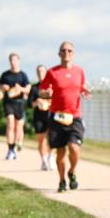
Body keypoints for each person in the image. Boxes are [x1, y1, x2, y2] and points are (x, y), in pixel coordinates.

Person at [39, 42, 91, 192]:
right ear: (59, 53)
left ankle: (72, 172)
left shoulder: (79, 71)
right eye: (63, 50)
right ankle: (62, 180)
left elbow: (80, 86)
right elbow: (42, 91)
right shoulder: (52, 72)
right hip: (57, 117)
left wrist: (84, 91)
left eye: (70, 50)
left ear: (73, 54)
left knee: (74, 148)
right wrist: (46, 94)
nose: (66, 52)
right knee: (60, 152)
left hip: (74, 116)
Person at [0, 53, 30, 160]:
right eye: (11, 60)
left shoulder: (23, 75)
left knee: (18, 127)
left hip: (19, 103)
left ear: (18, 61)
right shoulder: (5, 75)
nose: (13, 62)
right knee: (10, 124)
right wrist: (3, 87)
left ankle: (17, 144)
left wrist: (20, 89)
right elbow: (0, 87)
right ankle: (10, 149)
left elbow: (28, 89)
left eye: (15, 60)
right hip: (8, 102)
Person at [29, 64, 53, 170]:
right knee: (41, 140)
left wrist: (48, 101)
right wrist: (37, 102)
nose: (40, 73)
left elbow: (58, 100)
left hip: (50, 115)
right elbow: (30, 104)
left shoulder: (51, 87)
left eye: (42, 71)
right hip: (38, 116)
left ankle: (50, 158)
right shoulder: (34, 88)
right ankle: (43, 160)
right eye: (38, 71)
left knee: (52, 139)